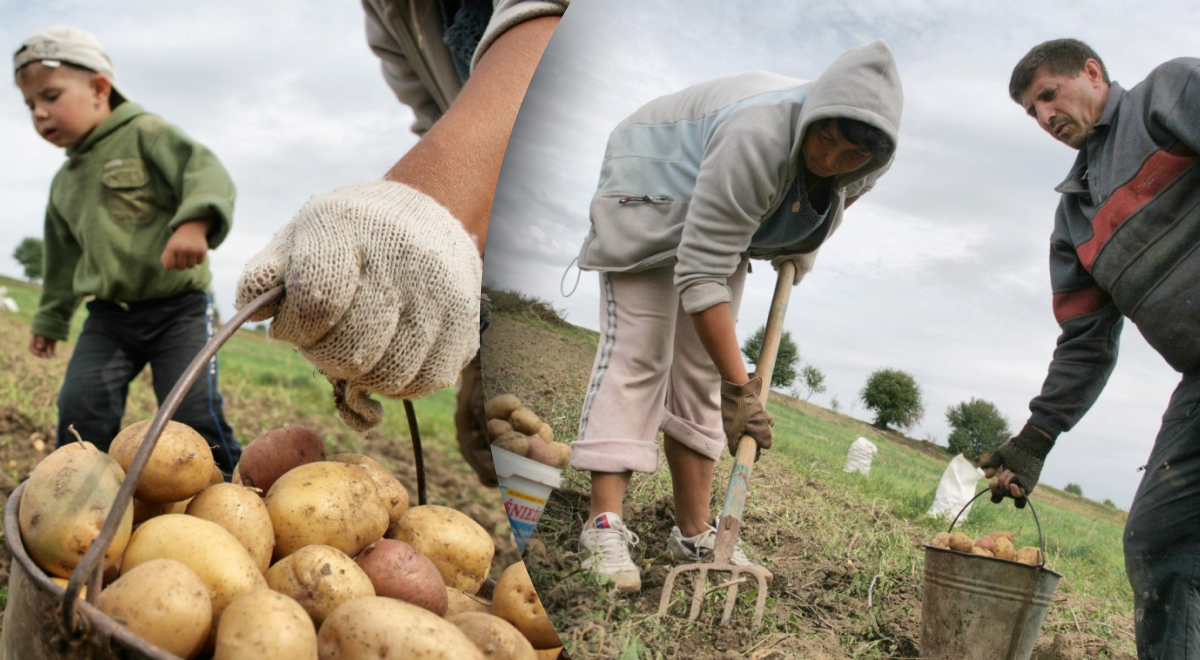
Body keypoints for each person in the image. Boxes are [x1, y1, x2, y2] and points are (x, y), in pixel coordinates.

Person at [569, 40, 903, 592]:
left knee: (701, 370)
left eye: (851, 156)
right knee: (642, 350)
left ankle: (696, 531)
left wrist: (804, 246)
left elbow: (838, 194)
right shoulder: (760, 136)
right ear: (814, 115)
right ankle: (603, 524)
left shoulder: (868, 161)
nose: (830, 160)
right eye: (825, 138)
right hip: (653, 183)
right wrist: (742, 387)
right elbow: (700, 274)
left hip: (723, 210)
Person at [235, 0, 567, 487]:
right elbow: (440, 120)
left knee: (535, 442)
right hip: (495, 242)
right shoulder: (391, 12)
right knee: (486, 437)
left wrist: (423, 204)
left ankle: (583, 529)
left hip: (564, 225)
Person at [985, 38, 1200, 659]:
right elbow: (1085, 341)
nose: (1045, 116)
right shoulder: (1075, 216)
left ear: (1093, 72)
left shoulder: (1166, 97)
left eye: (1049, 95)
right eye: (1032, 111)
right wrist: (1036, 438)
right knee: (1162, 538)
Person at [14, 26, 243, 476]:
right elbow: (61, 260)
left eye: (51, 95)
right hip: (110, 319)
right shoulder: (64, 182)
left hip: (179, 310)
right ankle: (77, 495)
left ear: (100, 88)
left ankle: (232, 490)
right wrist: (51, 318)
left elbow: (206, 173)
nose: (40, 113)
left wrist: (195, 223)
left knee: (193, 412)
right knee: (83, 406)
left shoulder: (146, 133)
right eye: (30, 106)